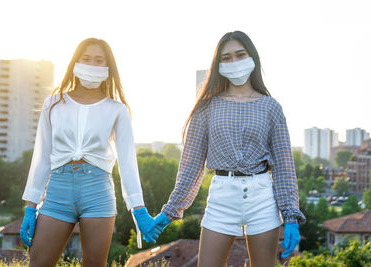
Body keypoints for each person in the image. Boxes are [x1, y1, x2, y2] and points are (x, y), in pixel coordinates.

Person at [149, 31, 306, 267]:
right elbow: (191, 164)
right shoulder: (206, 107)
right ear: (218, 64)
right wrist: (170, 211)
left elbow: (284, 166)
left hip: (262, 197)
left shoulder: (271, 107)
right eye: (227, 57)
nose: (234, 63)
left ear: (252, 58)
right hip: (222, 197)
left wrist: (290, 215)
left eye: (240, 55)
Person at [19, 38, 159, 267]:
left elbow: (127, 163)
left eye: (98, 60)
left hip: (98, 192)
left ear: (107, 68)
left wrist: (138, 209)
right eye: (86, 59)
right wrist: (30, 205)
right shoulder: (54, 103)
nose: (91, 65)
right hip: (57, 193)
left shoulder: (117, 109)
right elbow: (42, 157)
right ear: (75, 62)